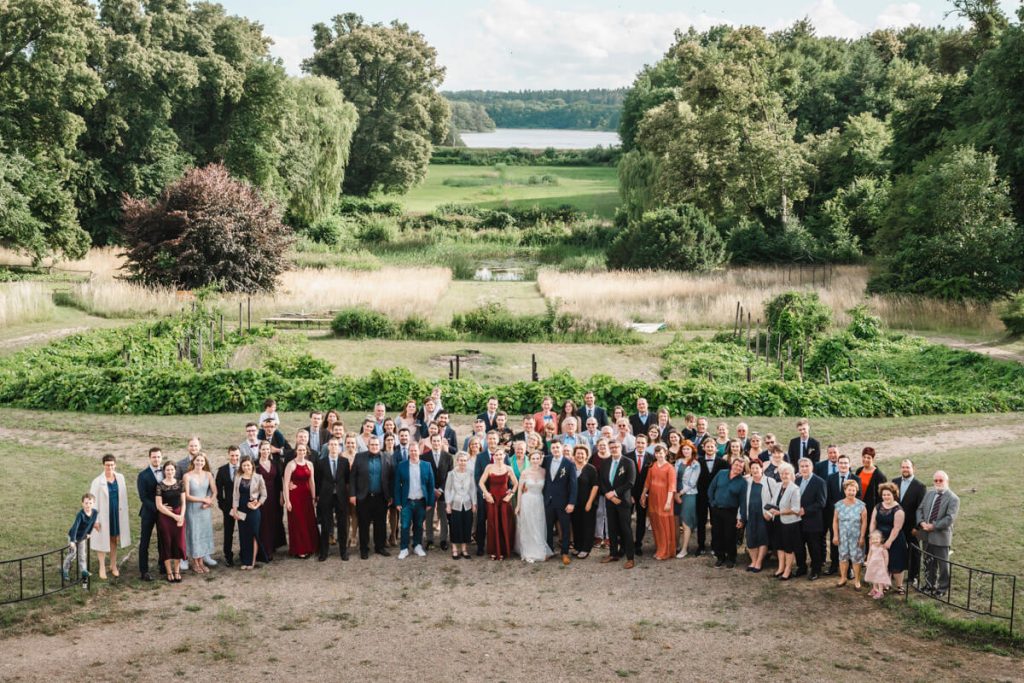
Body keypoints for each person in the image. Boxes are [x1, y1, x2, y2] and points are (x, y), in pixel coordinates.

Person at [915, 470, 960, 598]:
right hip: (926, 535)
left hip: (941, 536)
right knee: (928, 561)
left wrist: (933, 526)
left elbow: (949, 518)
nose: (938, 483)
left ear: (947, 481)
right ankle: (929, 585)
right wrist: (922, 523)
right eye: (936, 480)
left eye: (941, 480)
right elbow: (920, 509)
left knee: (943, 564)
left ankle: (942, 588)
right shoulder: (929, 494)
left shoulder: (953, 498)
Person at [351, 435, 394, 559]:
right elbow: (353, 477)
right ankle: (364, 549)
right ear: (368, 445)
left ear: (380, 445)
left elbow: (391, 478)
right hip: (364, 497)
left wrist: (390, 495)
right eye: (372, 445)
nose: (374, 447)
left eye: (376, 445)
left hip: (381, 497)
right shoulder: (359, 457)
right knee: (363, 524)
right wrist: (353, 494)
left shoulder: (387, 457)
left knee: (380, 524)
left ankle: (380, 547)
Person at [89, 454, 131, 581]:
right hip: (103, 515)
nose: (110, 467)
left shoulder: (120, 478)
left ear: (115, 465)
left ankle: (113, 565)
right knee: (102, 540)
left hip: (116, 513)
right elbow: (92, 502)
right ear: (103, 465)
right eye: (107, 465)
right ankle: (102, 567)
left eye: (112, 465)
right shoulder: (97, 481)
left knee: (114, 539)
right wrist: (95, 520)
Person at [599, 441, 637, 569]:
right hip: (610, 501)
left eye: (616, 447)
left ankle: (630, 558)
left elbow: (630, 482)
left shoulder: (628, 462)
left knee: (626, 529)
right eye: (612, 447)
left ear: (621, 448)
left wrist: (614, 493)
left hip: (622, 502)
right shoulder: (605, 462)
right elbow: (602, 481)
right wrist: (608, 494)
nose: (614, 449)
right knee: (612, 528)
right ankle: (613, 553)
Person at [394, 443, 435, 559]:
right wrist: (397, 502)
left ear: (419, 452)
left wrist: (430, 503)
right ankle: (404, 548)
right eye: (411, 451)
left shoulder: (427, 466)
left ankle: (417, 546)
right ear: (408, 452)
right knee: (405, 526)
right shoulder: (402, 466)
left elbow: (431, 486)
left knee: (418, 525)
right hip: (406, 501)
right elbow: (397, 485)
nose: (413, 453)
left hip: (421, 502)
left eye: (415, 451)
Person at [823, 454, 860, 576]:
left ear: (849, 465)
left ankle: (849, 568)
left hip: (850, 517)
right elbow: (827, 497)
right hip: (834, 516)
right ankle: (834, 565)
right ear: (837, 464)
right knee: (835, 540)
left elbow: (858, 498)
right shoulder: (830, 478)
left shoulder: (856, 479)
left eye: (845, 463)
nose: (843, 465)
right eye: (841, 463)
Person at [315, 437, 351, 562]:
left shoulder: (344, 462)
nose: (334, 447)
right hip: (326, 496)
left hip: (341, 496)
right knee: (325, 525)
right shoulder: (321, 462)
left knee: (342, 525)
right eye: (331, 444)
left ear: (340, 447)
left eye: (336, 445)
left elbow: (347, 480)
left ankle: (343, 552)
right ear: (328, 447)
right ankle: (324, 552)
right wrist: (318, 495)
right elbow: (317, 480)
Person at [542, 442, 578, 565]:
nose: (555, 449)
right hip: (548, 501)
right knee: (548, 527)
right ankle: (549, 551)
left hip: (563, 502)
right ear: (550, 449)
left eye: (557, 447)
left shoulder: (569, 464)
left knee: (565, 528)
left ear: (562, 448)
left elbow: (574, 485)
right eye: (553, 447)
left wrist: (571, 503)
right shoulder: (546, 460)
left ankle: (565, 552)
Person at [764, 463, 801, 580]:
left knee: (788, 547)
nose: (784, 475)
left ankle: (788, 570)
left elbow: (796, 509)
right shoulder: (778, 485)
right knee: (779, 546)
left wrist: (780, 513)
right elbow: (774, 502)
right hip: (778, 521)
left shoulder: (794, 489)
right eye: (782, 473)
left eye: (787, 473)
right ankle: (780, 568)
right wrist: (770, 512)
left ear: (791, 475)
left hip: (790, 522)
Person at [707, 457, 746, 568]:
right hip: (717, 509)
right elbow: (711, 488)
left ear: (743, 469)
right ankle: (720, 557)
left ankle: (731, 558)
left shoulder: (743, 483)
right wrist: (712, 502)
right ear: (732, 465)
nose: (738, 467)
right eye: (736, 465)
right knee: (717, 534)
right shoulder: (721, 473)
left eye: (741, 467)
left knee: (729, 535)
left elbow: (743, 502)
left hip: (731, 512)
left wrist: (742, 518)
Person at [515, 451, 553, 563]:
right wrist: (518, 505)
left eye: (538, 458)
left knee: (539, 524)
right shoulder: (525, 473)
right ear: (530, 459)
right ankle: (529, 550)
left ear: (541, 459)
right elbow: (519, 490)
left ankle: (540, 549)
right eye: (533, 458)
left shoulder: (544, 472)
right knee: (528, 525)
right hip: (527, 500)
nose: (535, 460)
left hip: (539, 501)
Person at [479, 447, 517, 560]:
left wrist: (510, 495)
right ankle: (494, 551)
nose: (499, 457)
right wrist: (487, 494)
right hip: (492, 500)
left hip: (504, 500)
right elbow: (481, 482)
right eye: (496, 455)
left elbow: (516, 483)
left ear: (504, 456)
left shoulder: (509, 468)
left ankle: (504, 550)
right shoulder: (489, 467)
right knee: (492, 524)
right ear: (493, 456)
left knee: (504, 524)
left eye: (501, 455)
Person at [870, 483, 908, 595]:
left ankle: (899, 586)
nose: (886, 497)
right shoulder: (878, 506)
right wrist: (872, 536)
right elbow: (873, 522)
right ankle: (885, 584)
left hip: (894, 540)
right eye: (884, 494)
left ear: (894, 495)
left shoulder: (898, 510)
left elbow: (897, 528)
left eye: (888, 494)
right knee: (882, 563)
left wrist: (889, 541)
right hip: (879, 538)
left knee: (896, 563)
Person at [640, 444, 676, 561]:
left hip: (665, 499)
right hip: (653, 499)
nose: (659, 455)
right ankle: (659, 548)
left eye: (661, 453)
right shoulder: (653, 466)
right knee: (655, 524)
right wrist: (643, 495)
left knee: (664, 525)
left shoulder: (670, 468)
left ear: (665, 453)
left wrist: (668, 502)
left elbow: (672, 487)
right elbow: (647, 482)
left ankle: (666, 551)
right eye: (657, 453)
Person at [183, 453, 217, 574]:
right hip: (192, 509)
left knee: (203, 533)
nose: (200, 463)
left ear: (205, 462)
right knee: (194, 534)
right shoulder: (187, 476)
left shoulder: (208, 475)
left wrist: (209, 502)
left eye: (202, 461)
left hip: (204, 510)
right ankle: (194, 562)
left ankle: (201, 561)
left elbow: (214, 491)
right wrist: (203, 499)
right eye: (197, 460)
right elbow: (187, 495)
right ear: (193, 462)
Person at [283, 443, 319, 558]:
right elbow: (285, 484)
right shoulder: (291, 465)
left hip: (307, 496)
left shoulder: (310, 464)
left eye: (303, 450)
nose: (301, 452)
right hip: (295, 496)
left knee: (308, 521)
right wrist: (287, 500)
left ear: (306, 451)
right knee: (298, 522)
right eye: (299, 450)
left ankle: (311, 546)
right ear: (296, 451)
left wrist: (313, 497)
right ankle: (300, 549)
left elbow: (312, 481)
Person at [895, 459, 927, 587]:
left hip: (911, 525)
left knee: (914, 551)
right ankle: (896, 572)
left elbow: (921, 508)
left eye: (908, 467)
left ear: (913, 468)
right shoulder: (895, 482)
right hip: (897, 524)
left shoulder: (920, 486)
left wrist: (917, 527)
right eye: (903, 467)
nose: (905, 469)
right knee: (897, 549)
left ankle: (914, 576)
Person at [794, 458, 827, 580]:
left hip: (813, 520)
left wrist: (806, 510)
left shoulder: (820, 482)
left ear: (811, 467)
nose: (804, 468)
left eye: (806, 466)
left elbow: (821, 502)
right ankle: (801, 567)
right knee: (798, 546)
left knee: (814, 547)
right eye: (801, 466)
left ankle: (816, 570)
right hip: (797, 520)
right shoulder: (796, 480)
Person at [232, 457, 267, 570]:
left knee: (253, 535)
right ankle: (245, 561)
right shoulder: (238, 478)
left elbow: (264, 495)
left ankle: (252, 561)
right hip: (241, 509)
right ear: (241, 467)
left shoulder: (258, 477)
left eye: (248, 465)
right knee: (243, 535)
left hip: (253, 510)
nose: (246, 467)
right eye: (244, 466)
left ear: (252, 465)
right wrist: (235, 510)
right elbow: (235, 495)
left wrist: (257, 505)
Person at [695, 436, 728, 556]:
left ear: (716, 448)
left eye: (712, 446)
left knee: (716, 522)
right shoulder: (698, 462)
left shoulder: (723, 462)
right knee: (701, 521)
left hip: (716, 497)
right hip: (701, 496)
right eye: (707, 446)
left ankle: (715, 546)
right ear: (703, 448)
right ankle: (701, 546)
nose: (709, 448)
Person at [833, 479, 867, 590]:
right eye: (849, 490)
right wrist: (835, 535)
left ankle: (857, 580)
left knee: (856, 558)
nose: (851, 492)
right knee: (843, 556)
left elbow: (864, 523)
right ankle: (843, 578)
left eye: (853, 490)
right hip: (842, 536)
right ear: (844, 490)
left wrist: (862, 537)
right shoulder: (838, 505)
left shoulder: (861, 506)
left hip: (856, 536)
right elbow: (835, 521)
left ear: (856, 491)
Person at [155, 461, 186, 582]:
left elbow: (184, 502)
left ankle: (177, 570)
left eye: (172, 470)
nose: (170, 472)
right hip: (165, 518)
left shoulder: (180, 483)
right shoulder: (160, 485)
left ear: (175, 471)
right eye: (167, 470)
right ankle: (169, 572)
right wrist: (174, 516)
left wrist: (181, 516)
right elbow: (159, 506)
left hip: (179, 516)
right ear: (164, 471)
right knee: (166, 544)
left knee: (178, 544)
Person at [421, 433, 453, 551]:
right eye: (433, 441)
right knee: (429, 516)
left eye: (438, 441)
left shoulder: (448, 457)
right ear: (431, 442)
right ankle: (429, 539)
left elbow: (450, 475)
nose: (436, 443)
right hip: (430, 491)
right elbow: (423, 476)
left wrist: (441, 489)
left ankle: (443, 540)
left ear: (441, 442)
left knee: (443, 516)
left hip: (444, 491)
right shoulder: (424, 457)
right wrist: (432, 489)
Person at [256, 441, 286, 561]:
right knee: (263, 522)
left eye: (267, 449)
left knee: (273, 520)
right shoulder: (255, 464)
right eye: (263, 449)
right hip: (260, 497)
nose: (265, 451)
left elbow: (279, 481)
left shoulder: (275, 463)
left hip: (274, 495)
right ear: (259, 450)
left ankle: (272, 545)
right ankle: (265, 549)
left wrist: (281, 495)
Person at [136, 447, 163, 581]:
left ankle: (163, 565)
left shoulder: (167, 471)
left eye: (158, 457)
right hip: (149, 512)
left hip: (164, 513)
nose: (156, 459)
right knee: (144, 542)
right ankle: (144, 570)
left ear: (161, 457)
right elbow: (143, 497)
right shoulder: (143, 475)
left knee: (163, 540)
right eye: (154, 457)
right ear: (149, 458)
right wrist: (157, 508)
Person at [741, 460, 773, 573]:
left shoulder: (769, 481)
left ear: (761, 468)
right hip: (750, 515)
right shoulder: (747, 481)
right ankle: (753, 561)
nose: (755, 470)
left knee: (762, 539)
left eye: (757, 468)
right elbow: (742, 500)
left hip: (763, 516)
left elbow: (775, 499)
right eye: (752, 468)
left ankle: (759, 562)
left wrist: (769, 513)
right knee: (750, 539)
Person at [445, 452, 476, 560]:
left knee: (466, 526)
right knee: (455, 526)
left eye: (465, 460)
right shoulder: (451, 474)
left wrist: (474, 503)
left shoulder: (470, 473)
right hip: (455, 503)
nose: (463, 462)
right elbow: (447, 490)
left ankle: (464, 549)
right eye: (461, 460)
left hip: (467, 503)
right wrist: (448, 504)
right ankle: (454, 549)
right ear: (457, 461)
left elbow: (473, 489)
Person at [570, 445, 599, 559]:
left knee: (587, 525)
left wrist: (589, 502)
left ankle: (586, 548)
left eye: (582, 453)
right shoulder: (571, 468)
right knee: (576, 524)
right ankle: (577, 546)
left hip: (588, 502)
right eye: (578, 453)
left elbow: (595, 486)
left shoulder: (591, 468)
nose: (580, 455)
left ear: (587, 455)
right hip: (574, 503)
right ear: (574, 455)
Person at [63, 493, 98, 582]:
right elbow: (75, 527)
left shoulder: (94, 513)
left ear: (93, 503)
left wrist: (89, 533)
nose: (88, 505)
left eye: (90, 503)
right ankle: (65, 570)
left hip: (82, 538)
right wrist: (72, 541)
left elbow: (92, 524)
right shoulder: (80, 515)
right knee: (72, 554)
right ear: (82, 503)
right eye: (86, 503)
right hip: (74, 537)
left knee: (82, 555)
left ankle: (83, 570)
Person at [215, 446, 241, 566]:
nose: (234, 458)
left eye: (236, 455)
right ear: (228, 455)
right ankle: (228, 556)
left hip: (243, 506)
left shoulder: (245, 467)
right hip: (228, 508)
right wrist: (224, 507)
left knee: (244, 531)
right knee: (228, 532)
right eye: (232, 455)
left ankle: (244, 553)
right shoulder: (222, 471)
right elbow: (219, 492)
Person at [626, 434, 652, 555]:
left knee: (641, 520)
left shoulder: (651, 458)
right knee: (626, 519)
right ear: (635, 443)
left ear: (646, 444)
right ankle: (627, 543)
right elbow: (625, 478)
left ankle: (638, 544)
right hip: (629, 494)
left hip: (644, 495)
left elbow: (652, 478)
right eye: (638, 442)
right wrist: (629, 494)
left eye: (643, 443)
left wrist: (645, 495)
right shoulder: (627, 457)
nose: (640, 445)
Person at [855, 447, 887, 544]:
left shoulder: (879, 476)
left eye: (868, 457)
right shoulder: (859, 471)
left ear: (873, 458)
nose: (866, 460)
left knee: (869, 534)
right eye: (864, 457)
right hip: (858, 508)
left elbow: (881, 498)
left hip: (870, 510)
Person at [675, 442, 699, 559]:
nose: (686, 451)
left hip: (688, 494)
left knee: (686, 522)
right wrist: (674, 493)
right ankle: (677, 546)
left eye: (688, 449)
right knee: (676, 521)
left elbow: (692, 483)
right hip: (676, 493)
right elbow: (673, 478)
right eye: (684, 449)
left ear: (692, 451)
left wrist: (680, 493)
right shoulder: (678, 462)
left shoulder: (696, 464)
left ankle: (684, 549)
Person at [864, 531, 891, 599]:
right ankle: (875, 589)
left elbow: (886, 557)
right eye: (873, 539)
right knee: (874, 578)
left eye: (877, 539)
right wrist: (868, 561)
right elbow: (869, 554)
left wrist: (885, 565)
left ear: (881, 539)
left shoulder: (883, 548)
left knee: (879, 579)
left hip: (880, 566)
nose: (875, 540)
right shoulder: (872, 547)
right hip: (873, 565)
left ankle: (880, 591)